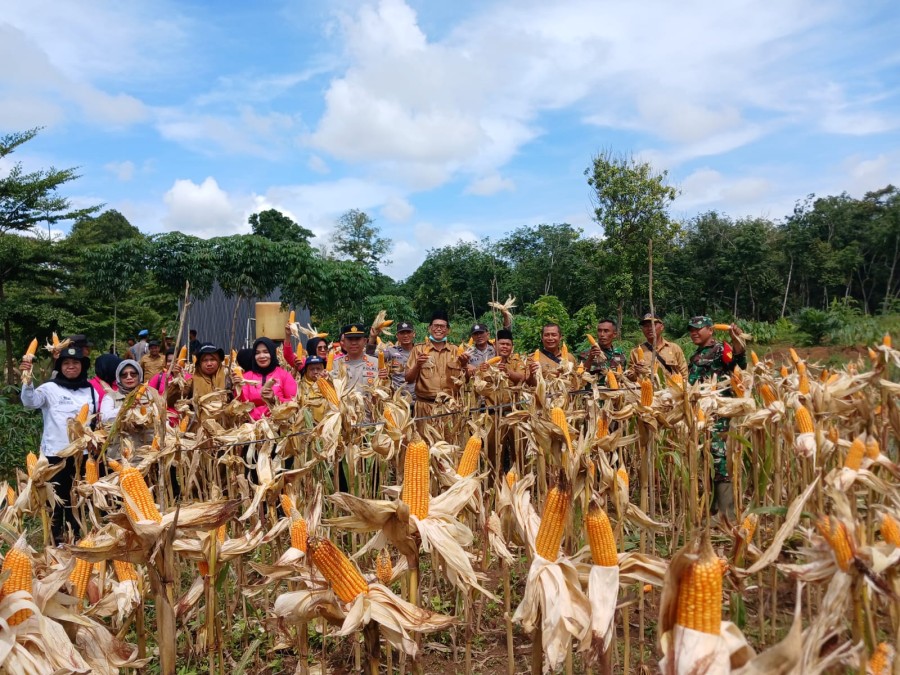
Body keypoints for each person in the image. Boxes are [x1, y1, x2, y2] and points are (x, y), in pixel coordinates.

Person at [20, 346, 114, 541]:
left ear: (82, 366)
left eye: (76, 363)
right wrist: (27, 380)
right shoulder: (49, 388)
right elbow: (30, 402)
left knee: (76, 497)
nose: (71, 366)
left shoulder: (90, 390)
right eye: (66, 363)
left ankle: (75, 535)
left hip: (82, 456)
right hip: (55, 455)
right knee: (56, 499)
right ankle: (55, 537)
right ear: (60, 366)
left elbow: (98, 418)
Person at [687, 315, 747, 520]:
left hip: (718, 412)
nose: (694, 332)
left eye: (698, 329)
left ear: (710, 330)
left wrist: (737, 340)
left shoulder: (721, 349)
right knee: (708, 457)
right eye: (691, 329)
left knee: (719, 455)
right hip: (701, 414)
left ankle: (726, 513)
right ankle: (713, 508)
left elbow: (738, 362)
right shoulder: (696, 356)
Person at [405, 311, 466, 420]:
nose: (438, 329)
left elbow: (466, 380)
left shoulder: (456, 350)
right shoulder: (418, 350)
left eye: (442, 326)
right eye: (435, 326)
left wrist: (465, 365)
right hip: (425, 407)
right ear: (429, 328)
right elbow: (408, 379)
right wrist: (418, 365)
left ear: (448, 330)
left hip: (450, 406)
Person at [235, 337, 297, 420]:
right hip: (252, 423)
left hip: (279, 422)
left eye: (266, 352)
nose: (261, 356)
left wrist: (275, 399)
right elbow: (241, 406)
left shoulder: (284, 375)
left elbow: (294, 403)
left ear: (272, 353)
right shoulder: (246, 377)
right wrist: (237, 387)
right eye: (257, 353)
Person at [169, 343, 227, 426]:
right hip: (199, 428)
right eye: (205, 360)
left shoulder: (228, 379)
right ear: (199, 363)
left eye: (212, 359)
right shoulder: (191, 382)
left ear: (218, 361)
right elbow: (171, 402)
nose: (209, 363)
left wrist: (238, 386)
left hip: (225, 428)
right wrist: (177, 382)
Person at [627, 313, 688, 381]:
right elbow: (632, 378)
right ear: (642, 329)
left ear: (662, 327)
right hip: (647, 386)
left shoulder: (674, 348)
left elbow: (684, 373)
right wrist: (632, 373)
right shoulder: (635, 352)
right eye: (646, 326)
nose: (649, 328)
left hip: (672, 387)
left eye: (653, 325)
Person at [332, 323, 386, 393]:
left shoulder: (376, 363)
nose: (354, 343)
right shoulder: (336, 364)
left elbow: (383, 390)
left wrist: (384, 379)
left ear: (365, 341)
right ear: (344, 342)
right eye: (350, 339)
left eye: (357, 339)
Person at [374, 321, 416, 399]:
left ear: (414, 334)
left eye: (408, 332)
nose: (405, 335)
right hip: (398, 399)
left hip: (419, 399)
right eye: (402, 333)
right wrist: (372, 337)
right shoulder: (391, 351)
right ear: (397, 336)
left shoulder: (420, 350)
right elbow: (370, 355)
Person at [298, 355, 328, 423]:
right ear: (306, 371)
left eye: (318, 369)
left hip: (326, 425)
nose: (315, 372)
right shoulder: (300, 386)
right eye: (312, 369)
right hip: (307, 426)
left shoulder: (331, 384)